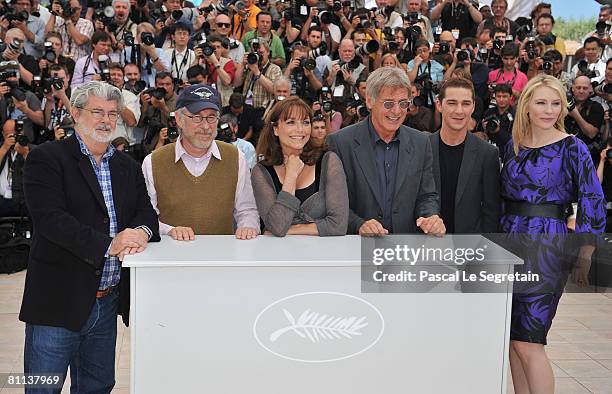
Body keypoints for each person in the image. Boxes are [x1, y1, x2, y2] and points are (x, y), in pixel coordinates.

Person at [19, 81, 160, 393]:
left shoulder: (126, 165)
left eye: (112, 113)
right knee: (43, 387)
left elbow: (146, 214)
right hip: (57, 301)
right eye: (97, 112)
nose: (106, 120)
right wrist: (110, 244)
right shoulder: (46, 158)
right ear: (75, 112)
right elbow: (50, 220)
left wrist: (139, 232)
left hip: (106, 301)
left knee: (97, 386)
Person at [500, 74, 605, 394]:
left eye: (556, 103)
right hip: (509, 243)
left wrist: (585, 252)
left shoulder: (572, 147)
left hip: (548, 244)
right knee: (512, 340)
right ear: (527, 106)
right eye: (541, 102)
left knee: (530, 340)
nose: (548, 109)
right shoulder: (512, 145)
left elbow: (592, 197)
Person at [327, 67, 445, 236]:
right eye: (388, 103)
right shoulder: (340, 143)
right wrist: (359, 224)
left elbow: (427, 196)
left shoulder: (421, 142)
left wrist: (430, 217)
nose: (397, 111)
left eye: (403, 103)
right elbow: (333, 204)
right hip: (357, 250)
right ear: (369, 101)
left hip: (405, 250)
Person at [142, 84, 260, 240]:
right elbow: (145, 218)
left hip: (221, 258)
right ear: (178, 119)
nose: (205, 126)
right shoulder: (153, 162)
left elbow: (246, 210)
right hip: (170, 259)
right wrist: (169, 230)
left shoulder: (235, 157)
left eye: (211, 117)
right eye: (196, 117)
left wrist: (248, 228)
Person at [252, 96, 348, 236]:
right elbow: (278, 225)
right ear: (275, 129)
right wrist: (291, 175)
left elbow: (338, 225)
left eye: (305, 122)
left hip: (324, 255)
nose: (300, 129)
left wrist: (290, 230)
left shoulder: (328, 161)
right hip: (279, 255)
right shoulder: (261, 171)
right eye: (291, 122)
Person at [430, 77, 500, 233]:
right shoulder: (421, 147)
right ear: (439, 105)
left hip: (470, 250)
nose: (459, 111)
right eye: (452, 103)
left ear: (473, 107)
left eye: (466, 104)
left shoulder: (487, 154)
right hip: (425, 248)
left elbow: (491, 212)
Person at [0, 120, 29, 217]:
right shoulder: (1, 149)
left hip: (23, 201)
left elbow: (39, 173)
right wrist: (4, 148)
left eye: (14, 134)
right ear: (3, 134)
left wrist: (25, 153)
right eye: (7, 134)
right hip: (2, 201)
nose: (11, 137)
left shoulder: (31, 149)